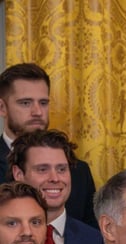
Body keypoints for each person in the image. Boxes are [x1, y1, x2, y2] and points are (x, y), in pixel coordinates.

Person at [0, 63, 98, 227]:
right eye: (25, 103)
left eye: (43, 103)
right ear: (2, 108)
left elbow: (90, 236)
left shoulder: (79, 172)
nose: (37, 112)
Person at [9, 129, 104, 244]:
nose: (55, 178)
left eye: (61, 169)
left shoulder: (96, 240)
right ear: (19, 174)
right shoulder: (5, 238)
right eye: (42, 169)